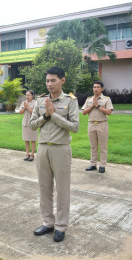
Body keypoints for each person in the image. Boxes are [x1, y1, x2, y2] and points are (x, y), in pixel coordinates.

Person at [30, 66, 79, 242]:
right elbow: (32, 124)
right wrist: (45, 116)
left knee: (62, 189)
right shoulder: (40, 100)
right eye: (47, 80)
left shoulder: (70, 101)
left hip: (61, 148)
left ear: (62, 80)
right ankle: (48, 222)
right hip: (43, 148)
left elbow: (75, 127)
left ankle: (61, 226)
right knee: (44, 187)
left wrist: (54, 114)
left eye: (53, 80)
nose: (49, 84)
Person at [82, 81, 113, 173]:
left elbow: (109, 112)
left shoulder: (106, 99)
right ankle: (93, 164)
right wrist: (92, 105)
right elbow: (84, 112)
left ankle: (102, 165)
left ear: (102, 88)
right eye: (94, 87)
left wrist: (98, 106)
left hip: (102, 124)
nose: (96, 89)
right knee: (93, 146)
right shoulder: (89, 99)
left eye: (98, 87)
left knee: (103, 146)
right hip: (91, 124)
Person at [19, 90, 38, 161]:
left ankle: (32, 155)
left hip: (32, 123)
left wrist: (27, 107)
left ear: (32, 96)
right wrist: (24, 107)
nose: (27, 97)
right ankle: (27, 154)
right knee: (26, 140)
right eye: (26, 95)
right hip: (25, 123)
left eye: (29, 95)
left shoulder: (35, 103)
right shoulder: (23, 103)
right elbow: (20, 112)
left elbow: (34, 112)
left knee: (33, 140)